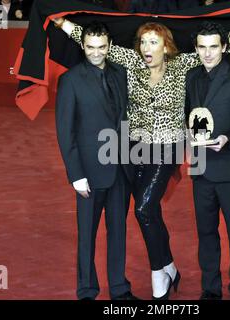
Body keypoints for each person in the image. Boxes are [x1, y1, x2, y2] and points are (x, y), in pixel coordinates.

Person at [53, 12, 230, 299]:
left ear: (166, 46)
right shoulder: (131, 62)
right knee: (151, 213)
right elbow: (93, 42)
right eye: (143, 42)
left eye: (154, 42)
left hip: (168, 148)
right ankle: (167, 266)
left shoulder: (182, 64)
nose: (147, 47)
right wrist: (61, 22)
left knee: (143, 208)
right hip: (133, 151)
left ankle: (160, 269)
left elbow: (223, 45)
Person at [55, 21, 138, 301]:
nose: (96, 53)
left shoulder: (121, 73)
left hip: (121, 171)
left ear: (109, 46)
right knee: (86, 236)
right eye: (90, 47)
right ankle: (87, 291)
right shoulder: (70, 80)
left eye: (101, 47)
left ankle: (119, 289)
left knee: (118, 233)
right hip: (88, 173)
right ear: (83, 45)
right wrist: (75, 175)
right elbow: (65, 132)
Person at [185, 21, 230, 300]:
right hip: (201, 167)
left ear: (224, 47)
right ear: (197, 49)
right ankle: (210, 290)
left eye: (214, 47)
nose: (208, 53)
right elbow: (187, 114)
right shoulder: (191, 77)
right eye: (202, 47)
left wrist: (227, 139)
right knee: (206, 234)